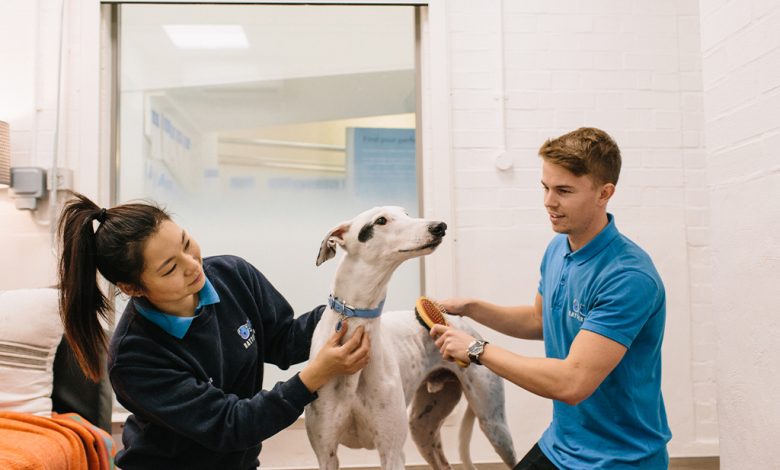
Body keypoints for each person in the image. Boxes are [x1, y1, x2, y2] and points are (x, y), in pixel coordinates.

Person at [57, 192, 370, 470]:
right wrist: (317, 373)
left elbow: (285, 341)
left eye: (186, 243)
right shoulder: (133, 358)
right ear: (133, 288)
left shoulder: (233, 275)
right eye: (169, 268)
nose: (192, 265)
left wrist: (350, 307)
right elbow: (231, 426)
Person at [431, 127, 672, 469]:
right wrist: (472, 309)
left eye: (564, 191)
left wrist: (475, 349)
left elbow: (572, 382)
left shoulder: (627, 277)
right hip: (563, 444)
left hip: (621, 458)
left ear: (604, 193)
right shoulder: (560, 247)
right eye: (545, 187)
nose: (549, 202)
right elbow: (539, 319)